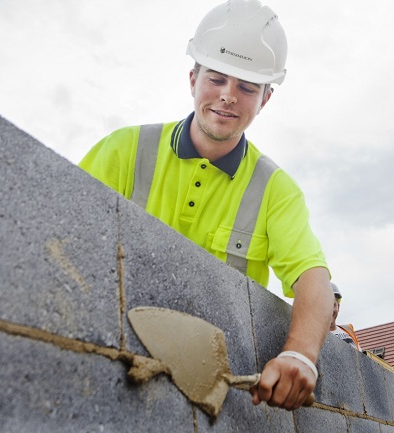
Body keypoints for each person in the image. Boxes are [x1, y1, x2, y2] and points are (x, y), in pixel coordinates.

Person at [78, 0, 333, 411]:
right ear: (193, 78)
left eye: (248, 87)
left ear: (265, 100)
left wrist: (300, 355)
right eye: (216, 79)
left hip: (207, 394)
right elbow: (65, 232)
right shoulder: (125, 150)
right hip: (108, 361)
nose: (228, 97)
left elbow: (312, 277)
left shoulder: (275, 190)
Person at [329, 283, 362, 351]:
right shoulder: (315, 337)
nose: (330, 309)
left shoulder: (348, 330)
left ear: (338, 307)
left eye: (333, 305)